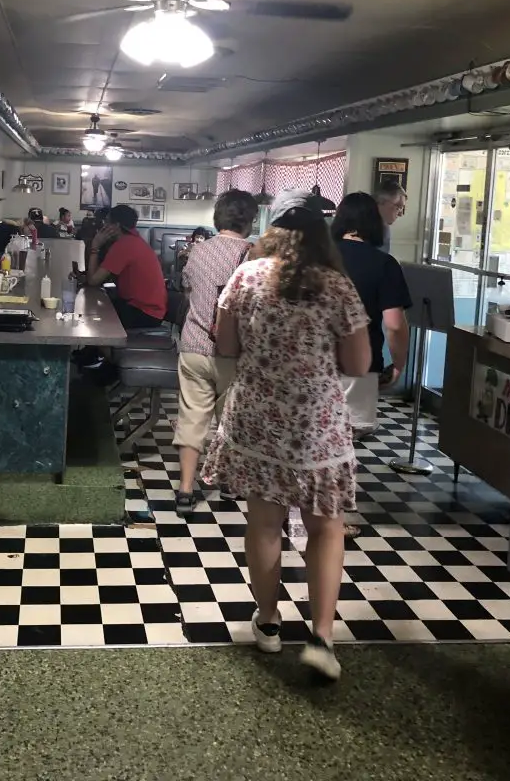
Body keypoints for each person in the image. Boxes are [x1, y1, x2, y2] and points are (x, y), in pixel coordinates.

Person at [202, 191, 370, 680]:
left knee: (264, 525)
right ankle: (321, 636)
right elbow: (359, 363)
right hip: (316, 425)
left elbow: (227, 346)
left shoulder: (245, 277)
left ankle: (270, 622)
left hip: (257, 420)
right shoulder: (337, 287)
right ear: (323, 238)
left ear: (272, 233)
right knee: (326, 528)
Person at [173, 191, 257, 517]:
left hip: (194, 345)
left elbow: (187, 289)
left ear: (217, 218)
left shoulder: (196, 252)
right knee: (232, 422)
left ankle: (184, 490)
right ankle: (231, 483)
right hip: (233, 353)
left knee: (192, 417)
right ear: (249, 220)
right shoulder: (251, 256)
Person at [331, 192, 412, 438]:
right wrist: (398, 363)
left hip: (311, 360)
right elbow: (394, 324)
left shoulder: (315, 258)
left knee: (312, 439)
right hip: (360, 362)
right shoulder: (384, 264)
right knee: (347, 439)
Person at [86, 204, 167, 328]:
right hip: (150, 309)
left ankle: (100, 346)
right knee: (103, 302)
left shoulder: (123, 245)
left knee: (97, 313)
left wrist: (95, 246)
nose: (103, 226)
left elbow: (93, 280)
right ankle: (98, 347)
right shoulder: (134, 240)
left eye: (107, 222)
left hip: (145, 313)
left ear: (116, 226)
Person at [374, 179, 407, 254]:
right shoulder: (360, 225)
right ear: (380, 201)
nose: (400, 214)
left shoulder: (383, 226)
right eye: (398, 207)